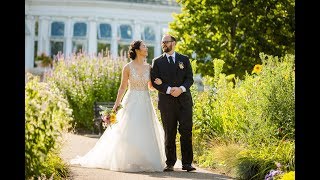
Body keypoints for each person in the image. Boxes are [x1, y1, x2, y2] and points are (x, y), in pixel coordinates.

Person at [70, 40, 166, 172]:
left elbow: (150, 87)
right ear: (137, 50)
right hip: (131, 101)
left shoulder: (149, 67)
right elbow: (122, 88)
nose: (146, 48)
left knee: (144, 129)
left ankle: (142, 160)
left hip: (145, 101)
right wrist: (115, 106)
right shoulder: (127, 67)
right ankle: (128, 159)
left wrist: (159, 83)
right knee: (128, 130)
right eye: (144, 46)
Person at [150, 34, 196, 172]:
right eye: (162, 42)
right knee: (169, 133)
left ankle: (187, 163)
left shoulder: (184, 59)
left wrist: (181, 89)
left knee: (186, 132)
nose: (164, 44)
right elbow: (154, 81)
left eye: (166, 42)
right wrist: (169, 90)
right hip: (167, 103)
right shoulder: (157, 62)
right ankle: (170, 163)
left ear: (174, 43)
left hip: (184, 102)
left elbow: (190, 79)